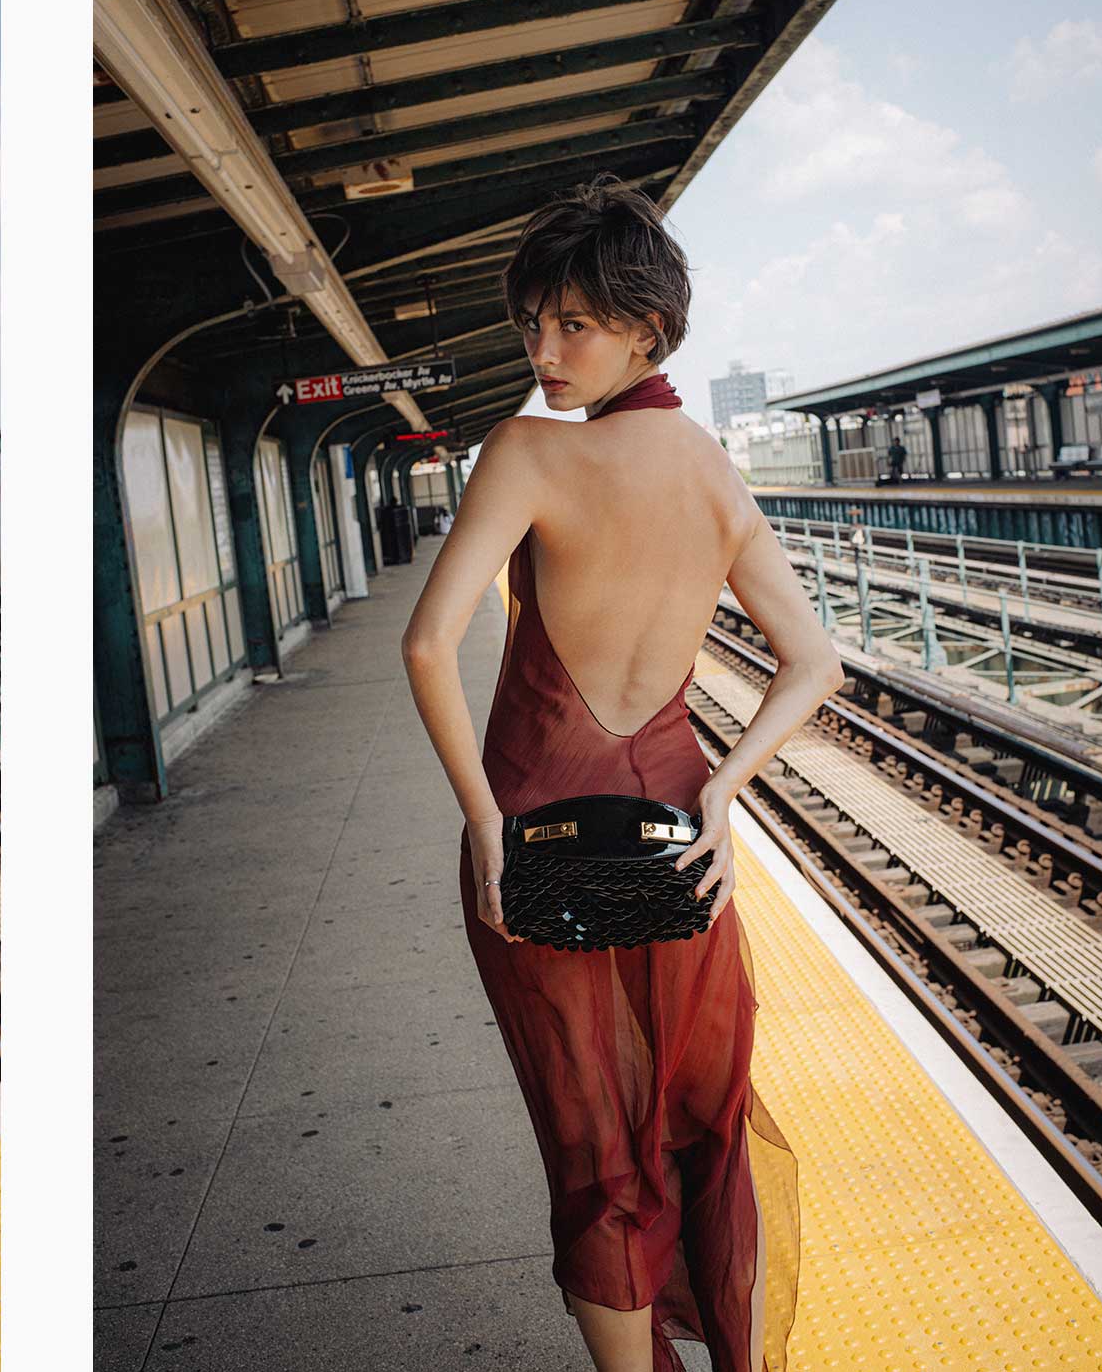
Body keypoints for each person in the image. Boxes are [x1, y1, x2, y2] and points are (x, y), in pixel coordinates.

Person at [400, 173, 836, 1372]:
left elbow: (427, 644)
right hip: (674, 840)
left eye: (571, 323)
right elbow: (812, 662)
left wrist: (484, 825)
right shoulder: (712, 472)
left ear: (644, 328)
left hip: (535, 834)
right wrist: (723, 786)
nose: (542, 350)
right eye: (530, 322)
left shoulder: (527, 455)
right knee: (696, 1118)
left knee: (591, 1142)